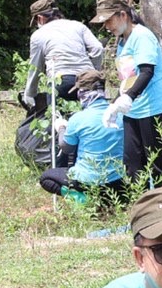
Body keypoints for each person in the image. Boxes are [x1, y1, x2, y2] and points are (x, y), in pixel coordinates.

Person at [91, 0, 162, 190]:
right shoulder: (122, 40)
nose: (106, 26)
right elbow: (128, 78)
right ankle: (143, 208)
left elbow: (147, 72)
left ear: (123, 15)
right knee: (132, 163)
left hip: (153, 108)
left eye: (109, 20)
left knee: (157, 162)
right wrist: (114, 104)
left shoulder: (142, 36)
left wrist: (128, 97)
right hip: (133, 110)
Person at [38, 69, 126, 208]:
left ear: (83, 92)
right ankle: (110, 202)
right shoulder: (120, 114)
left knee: (46, 178)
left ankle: (84, 200)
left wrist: (61, 128)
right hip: (118, 182)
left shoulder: (78, 118)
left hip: (87, 181)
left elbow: (66, 147)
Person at [27, 0, 104, 105]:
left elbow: (35, 67)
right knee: (93, 117)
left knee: (57, 120)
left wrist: (30, 94)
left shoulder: (38, 35)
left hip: (60, 80)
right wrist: (93, 72)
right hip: (88, 80)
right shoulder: (78, 26)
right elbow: (98, 49)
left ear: (40, 18)